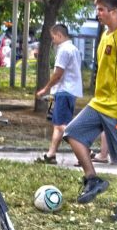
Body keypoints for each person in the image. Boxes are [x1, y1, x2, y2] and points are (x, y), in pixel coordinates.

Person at [63, 0, 117, 222]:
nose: (97, 13)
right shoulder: (105, 35)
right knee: (72, 133)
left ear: (114, 12)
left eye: (101, 10)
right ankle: (92, 179)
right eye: (97, 9)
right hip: (99, 103)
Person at [34, 23, 83, 164]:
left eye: (53, 37)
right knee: (57, 124)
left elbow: (58, 75)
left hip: (63, 91)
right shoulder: (74, 49)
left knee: (62, 126)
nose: (53, 40)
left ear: (60, 35)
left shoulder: (64, 50)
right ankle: (51, 154)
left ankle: (85, 150)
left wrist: (45, 89)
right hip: (66, 92)